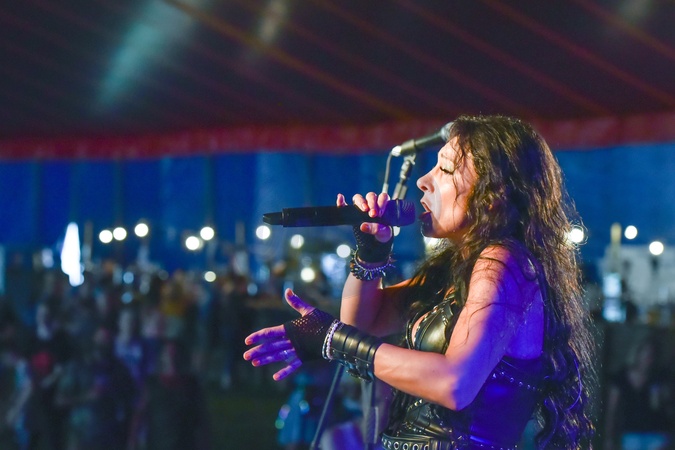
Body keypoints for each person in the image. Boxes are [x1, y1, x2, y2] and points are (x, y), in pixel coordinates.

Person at [244, 114, 597, 449]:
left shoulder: (503, 262)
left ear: (494, 195)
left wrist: (333, 339)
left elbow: (453, 383)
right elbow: (364, 323)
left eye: (445, 169)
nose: (423, 181)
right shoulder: (453, 269)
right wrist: (370, 255)